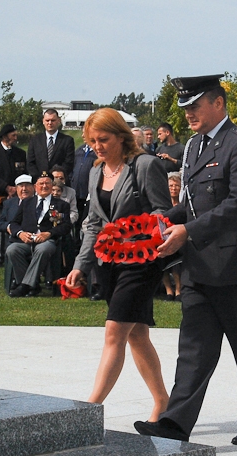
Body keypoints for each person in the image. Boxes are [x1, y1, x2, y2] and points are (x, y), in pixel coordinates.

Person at [134, 74, 237, 446]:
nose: (188, 115)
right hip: (200, 266)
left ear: (218, 103)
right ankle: (175, 423)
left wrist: (189, 232)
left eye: (194, 106)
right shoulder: (195, 145)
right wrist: (165, 223)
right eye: (185, 109)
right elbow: (194, 203)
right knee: (193, 349)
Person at [65, 108, 171, 422]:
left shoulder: (146, 165)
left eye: (104, 139)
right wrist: (80, 265)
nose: (98, 146)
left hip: (141, 262)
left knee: (114, 332)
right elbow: (94, 223)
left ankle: (89, 410)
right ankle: (163, 401)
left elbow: (163, 214)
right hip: (108, 263)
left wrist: (143, 234)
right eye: (92, 140)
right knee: (137, 334)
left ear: (121, 136)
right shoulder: (96, 172)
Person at [7, 172, 72, 297]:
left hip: (48, 241)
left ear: (52, 185)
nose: (44, 186)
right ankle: (33, 285)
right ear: (35, 186)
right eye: (41, 183)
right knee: (12, 249)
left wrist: (49, 233)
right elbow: (14, 223)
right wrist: (20, 234)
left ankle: (25, 286)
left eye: (47, 183)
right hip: (27, 240)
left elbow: (66, 226)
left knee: (43, 249)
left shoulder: (62, 205)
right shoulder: (26, 203)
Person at [0, 123, 26, 266]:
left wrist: (16, 189)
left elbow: (23, 173)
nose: (16, 137)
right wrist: (6, 188)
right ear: (5, 136)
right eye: (13, 135)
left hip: (16, 196)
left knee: (14, 224)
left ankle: (10, 253)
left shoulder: (20, 153)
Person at [26, 109, 75, 179]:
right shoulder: (35, 140)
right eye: (47, 120)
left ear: (58, 121)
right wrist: (41, 178)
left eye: (53, 120)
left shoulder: (67, 141)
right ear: (43, 121)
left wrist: (56, 176)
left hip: (59, 183)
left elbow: (69, 163)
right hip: (39, 182)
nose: (50, 123)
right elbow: (30, 163)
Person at [161, 172, 182, 301]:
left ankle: (178, 291)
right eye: (171, 186)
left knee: (177, 264)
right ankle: (169, 291)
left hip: (179, 239)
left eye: (176, 185)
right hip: (164, 238)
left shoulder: (183, 205)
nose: (173, 188)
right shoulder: (163, 203)